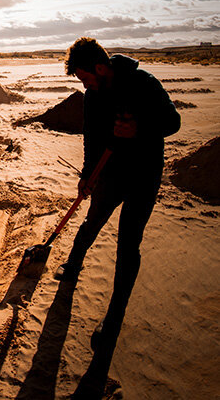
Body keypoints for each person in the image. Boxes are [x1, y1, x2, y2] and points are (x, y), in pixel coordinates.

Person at [55, 37, 180, 347]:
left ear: (101, 67)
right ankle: (72, 266)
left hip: (143, 174)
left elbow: (172, 122)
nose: (84, 86)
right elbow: (91, 137)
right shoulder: (92, 98)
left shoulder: (143, 83)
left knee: (127, 246)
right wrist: (87, 175)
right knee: (92, 222)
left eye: (85, 78)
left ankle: (113, 319)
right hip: (109, 174)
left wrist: (140, 127)